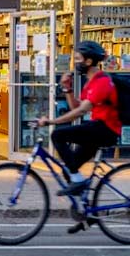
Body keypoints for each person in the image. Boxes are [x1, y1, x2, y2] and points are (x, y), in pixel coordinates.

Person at [37, 41, 120, 198]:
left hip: (105, 129)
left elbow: (81, 111)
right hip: (97, 127)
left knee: (58, 135)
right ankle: (85, 215)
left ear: (88, 61)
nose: (75, 62)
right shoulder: (91, 82)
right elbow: (77, 106)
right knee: (69, 169)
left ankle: (78, 181)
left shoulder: (101, 82)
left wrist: (52, 122)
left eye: (78, 58)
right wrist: (67, 88)